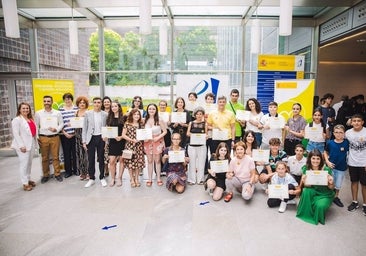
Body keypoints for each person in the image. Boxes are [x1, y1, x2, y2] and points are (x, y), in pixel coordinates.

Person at [296, 149, 335, 225]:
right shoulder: (306, 168)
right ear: (309, 159)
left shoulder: (327, 170)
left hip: (325, 194)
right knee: (306, 191)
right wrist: (305, 182)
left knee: (320, 206)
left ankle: (318, 207)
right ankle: (307, 211)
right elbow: (308, 186)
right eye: (313, 158)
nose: (315, 161)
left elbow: (331, 188)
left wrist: (331, 182)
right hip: (313, 191)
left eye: (318, 159)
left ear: (321, 159)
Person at [35, 95, 64, 183]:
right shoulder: (38, 113)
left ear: (51, 102)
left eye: (48, 101)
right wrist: (37, 137)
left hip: (55, 137)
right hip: (43, 137)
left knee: (55, 157)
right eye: (45, 101)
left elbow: (61, 124)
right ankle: (45, 175)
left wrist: (57, 129)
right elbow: (36, 126)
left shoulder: (57, 113)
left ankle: (57, 174)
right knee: (45, 158)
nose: (46, 103)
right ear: (43, 102)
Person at [82, 97, 108, 188]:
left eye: (99, 102)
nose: (97, 104)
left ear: (101, 104)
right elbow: (84, 128)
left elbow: (107, 127)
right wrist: (84, 141)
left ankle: (102, 177)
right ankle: (91, 178)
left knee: (101, 158)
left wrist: (106, 140)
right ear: (93, 103)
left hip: (101, 138)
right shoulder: (88, 113)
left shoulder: (105, 114)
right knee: (91, 159)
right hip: (91, 138)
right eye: (95, 102)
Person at [11, 102, 38, 191]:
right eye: (23, 108)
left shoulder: (30, 119)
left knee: (29, 163)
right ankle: (25, 183)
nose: (26, 110)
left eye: (27, 108)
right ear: (19, 109)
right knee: (24, 164)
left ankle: (28, 179)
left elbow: (33, 132)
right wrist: (21, 145)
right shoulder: (17, 120)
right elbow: (16, 134)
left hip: (31, 144)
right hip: (23, 146)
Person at [345, 114, 366, 214]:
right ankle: (355, 201)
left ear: (362, 122)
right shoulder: (348, 133)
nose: (356, 122)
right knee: (354, 182)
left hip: (364, 163)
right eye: (354, 121)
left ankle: (365, 204)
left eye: (358, 121)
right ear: (351, 122)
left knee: (364, 184)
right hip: (352, 162)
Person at [324, 124, 349, 207]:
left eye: (341, 132)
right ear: (333, 133)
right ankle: (328, 196)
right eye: (337, 132)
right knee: (329, 182)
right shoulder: (330, 143)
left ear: (344, 133)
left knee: (338, 185)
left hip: (341, 168)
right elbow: (325, 152)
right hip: (331, 167)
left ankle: (336, 197)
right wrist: (327, 161)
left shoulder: (346, 143)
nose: (339, 134)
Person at [144, 103, 167, 187]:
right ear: (147, 110)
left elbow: (165, 131)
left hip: (157, 141)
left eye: (153, 109)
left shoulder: (159, 120)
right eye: (150, 109)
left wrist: (158, 138)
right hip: (147, 142)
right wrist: (144, 138)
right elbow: (142, 132)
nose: (151, 110)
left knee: (157, 161)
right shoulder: (144, 120)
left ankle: (158, 178)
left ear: (156, 110)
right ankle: (149, 179)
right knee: (149, 161)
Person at [122, 109, 145, 188]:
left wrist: (141, 139)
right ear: (131, 115)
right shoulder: (127, 124)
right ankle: (131, 179)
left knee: (138, 163)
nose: (136, 116)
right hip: (130, 146)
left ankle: (136, 179)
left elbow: (144, 134)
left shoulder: (141, 124)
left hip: (139, 146)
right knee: (130, 164)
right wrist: (132, 140)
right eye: (135, 114)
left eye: (138, 114)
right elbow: (123, 135)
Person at [59, 92, 78, 178]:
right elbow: (59, 123)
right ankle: (68, 171)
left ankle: (76, 170)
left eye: (69, 99)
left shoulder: (76, 109)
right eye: (66, 99)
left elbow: (79, 122)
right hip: (64, 135)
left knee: (75, 153)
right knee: (66, 154)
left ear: (71, 100)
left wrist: (74, 133)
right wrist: (65, 133)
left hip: (75, 135)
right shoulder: (60, 110)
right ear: (64, 100)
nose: (67, 100)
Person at [105, 101, 125, 187]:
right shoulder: (109, 118)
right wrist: (105, 136)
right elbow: (107, 129)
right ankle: (112, 178)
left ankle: (119, 178)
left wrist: (121, 137)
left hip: (122, 141)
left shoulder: (124, 118)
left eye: (115, 106)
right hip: (112, 142)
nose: (114, 108)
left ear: (119, 107)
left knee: (122, 160)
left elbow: (126, 130)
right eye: (112, 106)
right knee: (112, 161)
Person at [186, 107, 207, 185]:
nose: (199, 115)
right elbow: (187, 133)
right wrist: (195, 135)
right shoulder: (191, 123)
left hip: (202, 146)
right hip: (192, 146)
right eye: (197, 114)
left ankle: (200, 179)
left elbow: (206, 133)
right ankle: (191, 179)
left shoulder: (205, 123)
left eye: (200, 114)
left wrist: (205, 136)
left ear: (203, 115)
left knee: (201, 163)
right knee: (192, 163)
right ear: (195, 115)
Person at [74, 96, 89, 180]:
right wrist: (71, 124)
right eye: (80, 103)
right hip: (77, 136)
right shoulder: (75, 113)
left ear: (86, 104)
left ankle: (88, 172)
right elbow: (74, 123)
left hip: (86, 135)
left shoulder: (88, 112)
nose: (82, 104)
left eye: (83, 103)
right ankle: (82, 172)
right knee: (79, 154)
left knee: (87, 155)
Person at [101, 96, 112, 177]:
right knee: (104, 152)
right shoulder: (101, 112)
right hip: (104, 135)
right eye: (105, 102)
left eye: (108, 102)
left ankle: (113, 169)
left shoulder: (113, 111)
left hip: (112, 134)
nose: (106, 103)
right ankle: (106, 169)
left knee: (112, 153)